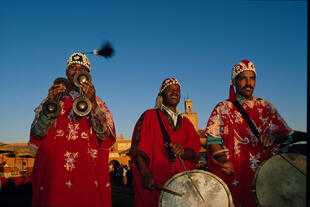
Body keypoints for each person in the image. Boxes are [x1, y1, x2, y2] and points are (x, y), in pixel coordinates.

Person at [29, 52, 116, 207]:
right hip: (55, 175)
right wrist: (50, 105)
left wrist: (92, 105)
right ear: (66, 72)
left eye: (81, 68)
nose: (76, 71)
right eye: (73, 67)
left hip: (87, 175)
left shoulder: (98, 102)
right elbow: (37, 132)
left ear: (87, 75)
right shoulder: (52, 97)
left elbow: (104, 135)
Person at [204, 59, 293, 207]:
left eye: (252, 78)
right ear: (234, 82)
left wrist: (274, 136)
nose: (248, 83)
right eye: (243, 78)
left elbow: (287, 136)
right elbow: (213, 140)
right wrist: (222, 160)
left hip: (264, 177)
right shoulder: (223, 108)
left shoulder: (266, 107)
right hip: (233, 175)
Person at [131, 78, 201, 207]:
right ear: (162, 94)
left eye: (178, 91)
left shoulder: (187, 123)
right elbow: (137, 149)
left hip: (182, 185)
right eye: (170, 90)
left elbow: (194, 151)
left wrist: (183, 152)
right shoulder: (149, 116)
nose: (175, 93)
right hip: (156, 180)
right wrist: (145, 173)